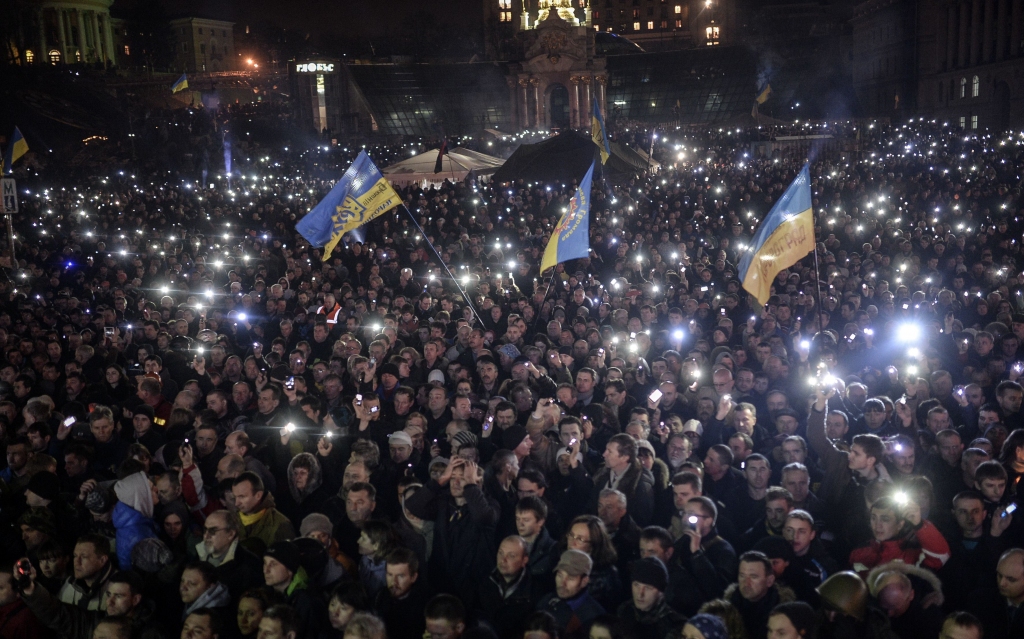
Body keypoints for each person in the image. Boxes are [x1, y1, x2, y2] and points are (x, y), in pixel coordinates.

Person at [535, 550, 606, 638]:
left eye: (571, 578)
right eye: (560, 575)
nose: (562, 583)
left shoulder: (593, 617)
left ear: (584, 581)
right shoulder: (546, 601)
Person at [614, 557, 686, 639]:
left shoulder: (675, 625)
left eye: (648, 588)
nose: (640, 594)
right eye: (636, 585)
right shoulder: (624, 610)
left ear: (661, 592)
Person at [372, 547, 427, 639]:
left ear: (413, 577)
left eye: (400, 576)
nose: (394, 582)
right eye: (390, 575)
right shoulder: (380, 597)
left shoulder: (425, 605)